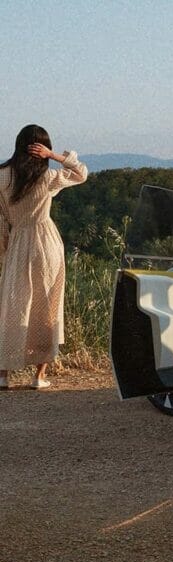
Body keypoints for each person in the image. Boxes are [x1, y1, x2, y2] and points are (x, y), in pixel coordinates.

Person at [0, 125, 88, 390]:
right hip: (47, 243)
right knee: (48, 304)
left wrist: (5, 249)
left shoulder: (2, 176)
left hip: (19, 243)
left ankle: (3, 374)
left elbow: (2, 219)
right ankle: (39, 376)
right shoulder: (47, 177)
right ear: (41, 148)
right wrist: (55, 156)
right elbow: (81, 173)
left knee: (12, 307)